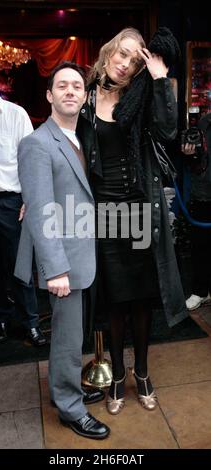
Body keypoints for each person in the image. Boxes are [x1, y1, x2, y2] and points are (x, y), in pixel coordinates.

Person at [76, 27, 187, 415]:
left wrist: (158, 78)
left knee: (140, 301)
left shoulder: (139, 98)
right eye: (122, 54)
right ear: (109, 52)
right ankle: (118, 375)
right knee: (115, 302)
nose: (125, 64)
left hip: (139, 210)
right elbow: (68, 151)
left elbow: (169, 130)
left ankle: (142, 372)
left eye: (134, 60)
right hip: (103, 213)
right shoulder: (86, 97)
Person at [14, 62, 110, 440]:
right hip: (63, 261)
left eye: (76, 86)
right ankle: (71, 408)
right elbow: (38, 210)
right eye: (62, 86)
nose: (70, 91)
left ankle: (65, 388)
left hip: (83, 253)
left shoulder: (80, 136)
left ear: (84, 97)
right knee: (69, 338)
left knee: (72, 335)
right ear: (50, 95)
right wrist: (54, 269)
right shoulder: (37, 143)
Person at [0, 59, 46, 346]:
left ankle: (30, 322)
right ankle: (1, 319)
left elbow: (32, 160)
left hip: (10, 202)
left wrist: (30, 198)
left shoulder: (14, 114)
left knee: (19, 267)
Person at [182, 112, 211, 310]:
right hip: (204, 193)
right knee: (201, 245)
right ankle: (201, 291)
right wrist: (189, 154)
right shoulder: (203, 122)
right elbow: (197, 163)